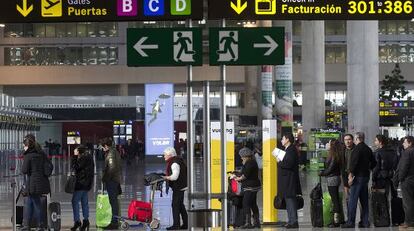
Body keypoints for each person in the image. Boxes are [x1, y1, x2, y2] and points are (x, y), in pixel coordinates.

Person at [341, 132, 376, 228]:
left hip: (357, 177)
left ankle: (350, 222)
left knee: (352, 200)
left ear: (356, 138)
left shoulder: (357, 149)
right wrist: (368, 169)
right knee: (364, 200)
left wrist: (351, 175)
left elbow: (353, 163)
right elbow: (374, 162)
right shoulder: (368, 149)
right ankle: (365, 222)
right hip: (365, 177)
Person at [21, 135, 51, 231]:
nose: (23, 147)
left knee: (37, 204)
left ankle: (40, 225)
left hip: (33, 184)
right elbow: (49, 166)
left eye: (24, 146)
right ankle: (26, 225)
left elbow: (24, 170)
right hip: (41, 182)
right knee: (29, 203)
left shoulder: (28, 155)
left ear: (27, 146)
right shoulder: (41, 153)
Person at [277, 133, 301, 229]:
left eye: (282, 139)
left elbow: (289, 164)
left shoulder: (291, 150)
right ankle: (291, 220)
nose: (281, 141)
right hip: (286, 180)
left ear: (287, 139)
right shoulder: (287, 149)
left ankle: (293, 221)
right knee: (288, 200)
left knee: (290, 200)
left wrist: (279, 161)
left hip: (289, 180)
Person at [233, 147, 261, 228]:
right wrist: (237, 172)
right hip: (253, 186)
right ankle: (256, 222)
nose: (241, 158)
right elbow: (245, 171)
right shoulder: (251, 162)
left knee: (246, 203)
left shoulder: (249, 163)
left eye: (242, 156)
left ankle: (248, 223)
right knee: (253, 204)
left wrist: (237, 179)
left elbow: (245, 175)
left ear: (246, 156)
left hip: (250, 187)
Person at [319, 139, 343, 227]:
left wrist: (322, 173)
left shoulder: (334, 155)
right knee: (335, 198)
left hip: (332, 178)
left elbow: (330, 169)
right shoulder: (333, 154)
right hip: (334, 178)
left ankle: (336, 221)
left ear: (332, 145)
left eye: (328, 143)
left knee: (335, 199)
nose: (327, 144)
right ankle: (337, 219)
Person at [162, 147, 188, 230]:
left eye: (165, 155)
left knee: (175, 205)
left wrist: (167, 177)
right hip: (182, 185)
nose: (164, 156)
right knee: (180, 205)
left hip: (179, 186)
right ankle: (186, 224)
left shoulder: (174, 163)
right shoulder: (177, 160)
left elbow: (175, 177)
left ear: (170, 155)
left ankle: (176, 225)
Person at [70, 145, 94, 231]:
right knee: (84, 202)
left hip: (81, 183)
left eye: (76, 151)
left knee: (74, 201)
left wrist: (75, 157)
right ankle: (86, 220)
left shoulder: (83, 158)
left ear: (79, 151)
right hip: (86, 183)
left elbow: (75, 167)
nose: (75, 152)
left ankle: (77, 221)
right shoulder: (89, 157)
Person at [101, 138, 122, 230]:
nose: (102, 149)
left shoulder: (111, 154)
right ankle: (115, 221)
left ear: (106, 146)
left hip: (112, 181)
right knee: (114, 201)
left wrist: (105, 178)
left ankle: (114, 222)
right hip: (115, 180)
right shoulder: (114, 152)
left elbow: (112, 168)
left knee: (113, 202)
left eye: (103, 147)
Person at [394, 136, 414, 228]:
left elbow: (403, 167)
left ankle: (409, 222)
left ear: (410, 143)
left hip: (407, 181)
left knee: (407, 202)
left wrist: (400, 179)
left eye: (405, 142)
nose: (403, 144)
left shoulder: (407, 152)